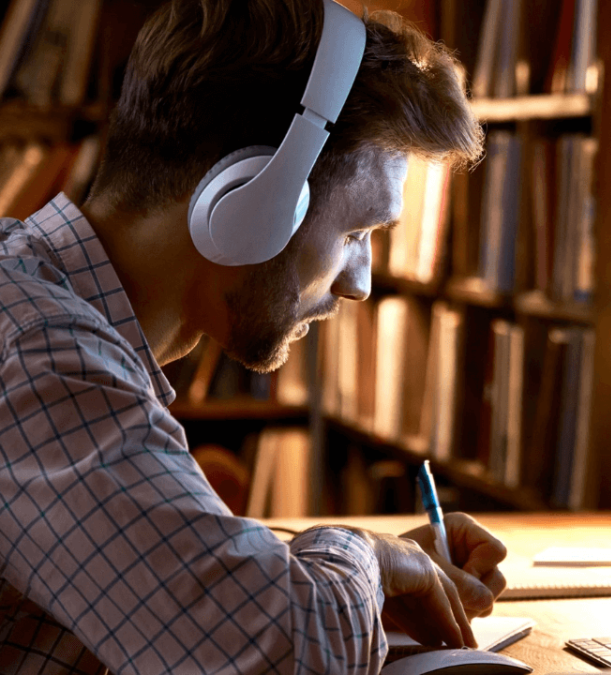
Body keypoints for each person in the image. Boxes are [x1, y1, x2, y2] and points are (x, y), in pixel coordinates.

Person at [0, 1, 500, 673]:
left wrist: (322, 573)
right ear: (248, 204)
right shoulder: (40, 353)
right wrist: (363, 556)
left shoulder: (43, 313)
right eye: (356, 234)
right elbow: (274, 656)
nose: (360, 284)